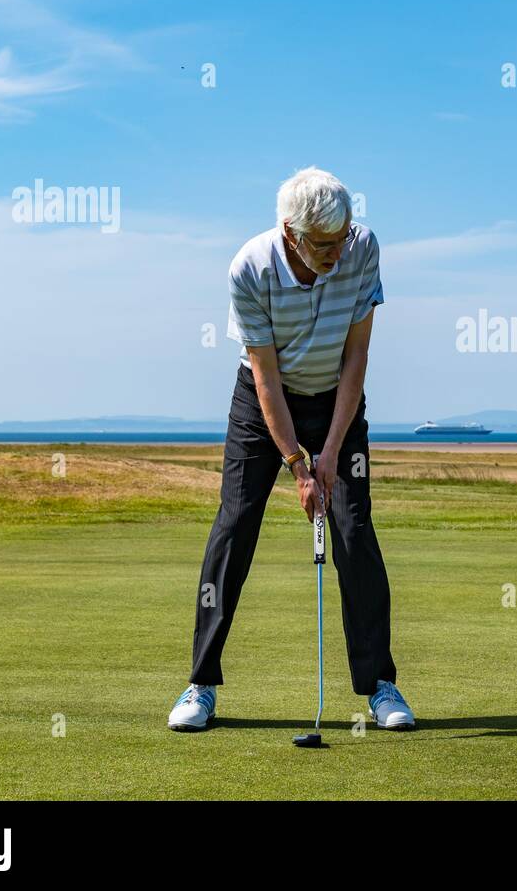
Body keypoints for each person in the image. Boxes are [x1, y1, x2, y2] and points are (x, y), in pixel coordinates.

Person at [167, 167, 413, 732]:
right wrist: (299, 467)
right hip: (263, 401)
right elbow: (266, 378)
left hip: (337, 400)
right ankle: (200, 685)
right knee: (235, 524)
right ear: (290, 233)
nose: (336, 253)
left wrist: (329, 453)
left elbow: (357, 358)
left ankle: (379, 685)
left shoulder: (361, 247)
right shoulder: (249, 268)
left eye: (341, 239)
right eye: (323, 245)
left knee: (354, 529)